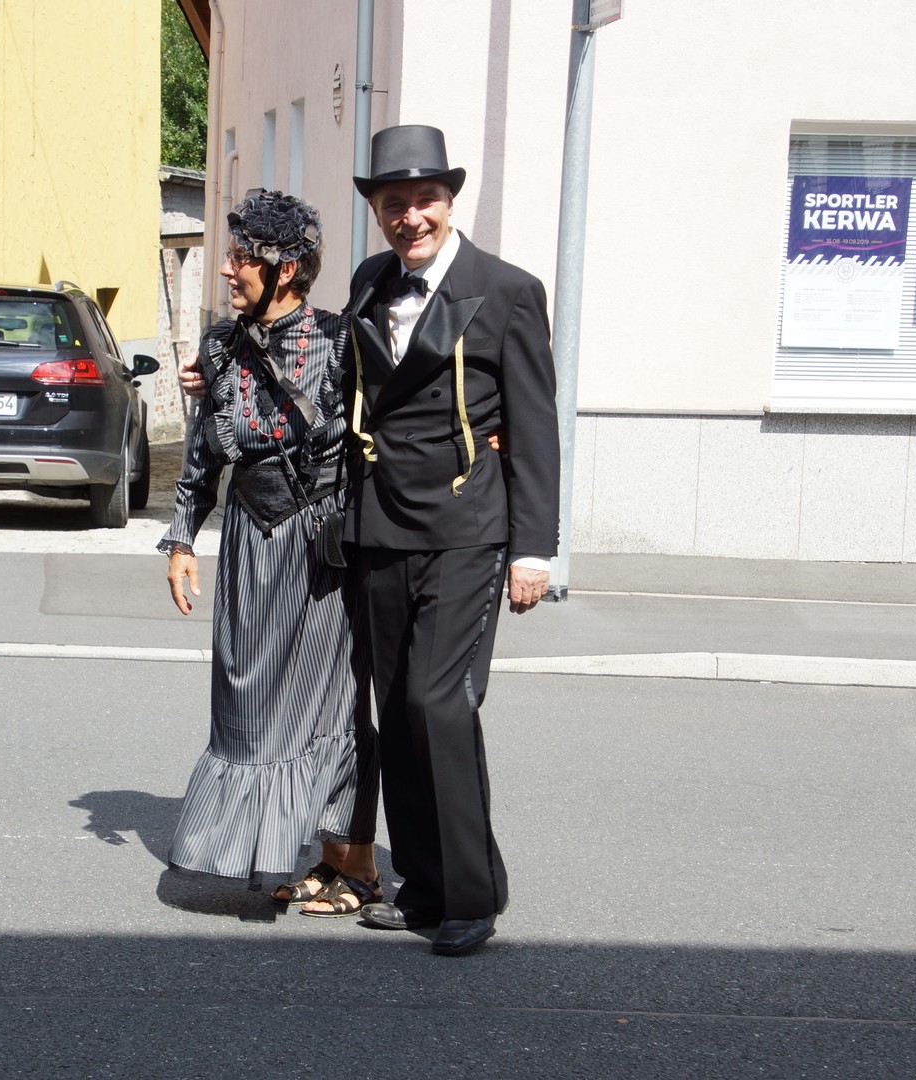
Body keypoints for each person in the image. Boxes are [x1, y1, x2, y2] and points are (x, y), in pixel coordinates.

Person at [346, 125, 560, 955]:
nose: (411, 217)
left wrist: (533, 548)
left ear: (449, 201)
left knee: (441, 703)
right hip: (382, 522)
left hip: (468, 526)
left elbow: (534, 424)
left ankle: (472, 895)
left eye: (424, 200)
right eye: (393, 204)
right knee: (398, 708)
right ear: (377, 211)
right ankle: (425, 886)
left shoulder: (506, 290)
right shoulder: (370, 282)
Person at [160, 189, 380, 917]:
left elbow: (385, 432)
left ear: (284, 269)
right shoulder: (221, 346)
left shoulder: (342, 342)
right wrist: (183, 537)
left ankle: (351, 863)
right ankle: (275, 850)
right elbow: (203, 451)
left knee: (329, 705)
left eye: (240, 258)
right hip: (249, 546)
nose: (227, 269)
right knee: (247, 702)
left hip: (321, 552)